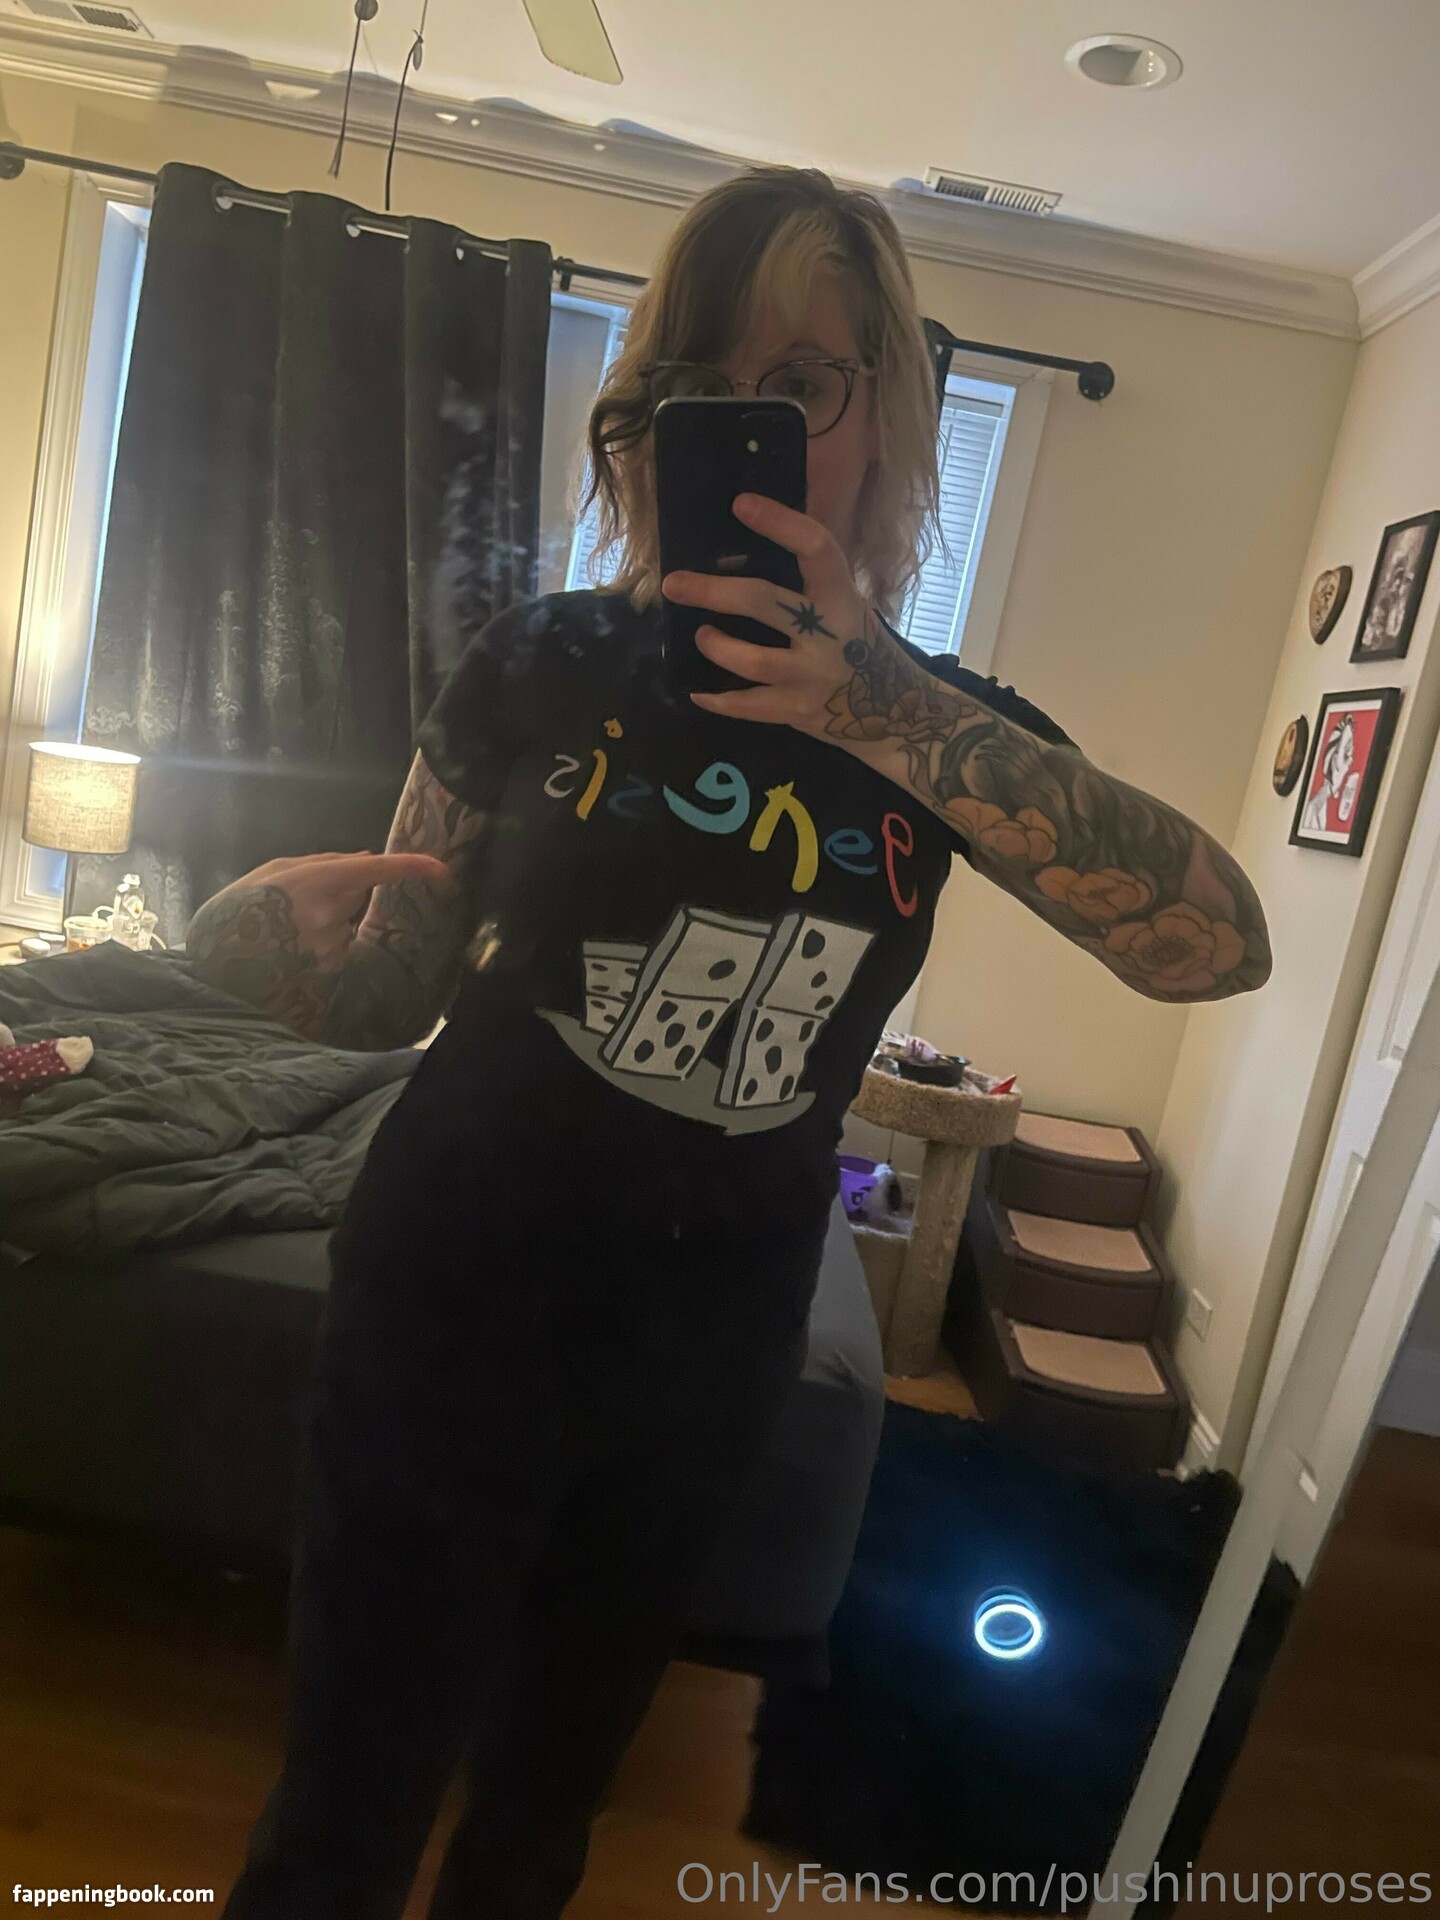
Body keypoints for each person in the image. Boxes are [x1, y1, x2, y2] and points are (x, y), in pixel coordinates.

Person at [200, 164, 1272, 1919]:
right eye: (700, 383)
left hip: (704, 1352)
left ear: (889, 415)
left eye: (802, 385)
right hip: (444, 1298)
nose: (745, 425)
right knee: (343, 1802)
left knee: (545, 1805)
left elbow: (1218, 945)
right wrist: (244, 942)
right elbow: (393, 989)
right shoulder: (540, 658)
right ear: (644, 423)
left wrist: (878, 709)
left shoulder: (949, 737)